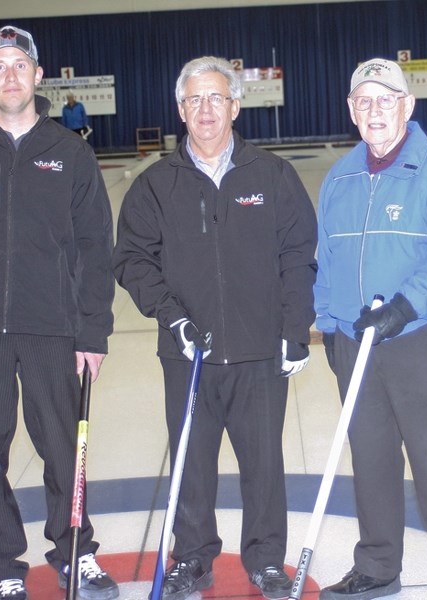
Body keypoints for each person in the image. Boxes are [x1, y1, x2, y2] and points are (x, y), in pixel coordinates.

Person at [0, 25, 118, 600]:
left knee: (63, 447)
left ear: (37, 75)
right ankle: (3, 564)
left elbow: (94, 247)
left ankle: (75, 551)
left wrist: (93, 332)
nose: (11, 74)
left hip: (51, 327)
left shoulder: (70, 152)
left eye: (20, 64)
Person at [113, 56, 317, 600]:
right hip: (189, 355)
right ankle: (193, 559)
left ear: (235, 105)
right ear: (181, 110)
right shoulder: (156, 185)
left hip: (258, 355)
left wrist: (295, 327)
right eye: (195, 100)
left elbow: (299, 255)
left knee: (264, 467)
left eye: (216, 98)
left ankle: (266, 560)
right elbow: (133, 259)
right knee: (192, 468)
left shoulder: (272, 175)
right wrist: (171, 316)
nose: (206, 109)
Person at [314, 58, 427, 600]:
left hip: (417, 340)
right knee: (371, 459)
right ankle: (379, 566)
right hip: (354, 346)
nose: (375, 110)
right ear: (351, 111)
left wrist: (404, 309)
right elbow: (325, 262)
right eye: (364, 101)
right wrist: (327, 329)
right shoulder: (339, 177)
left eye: (386, 99)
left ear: (408, 106)